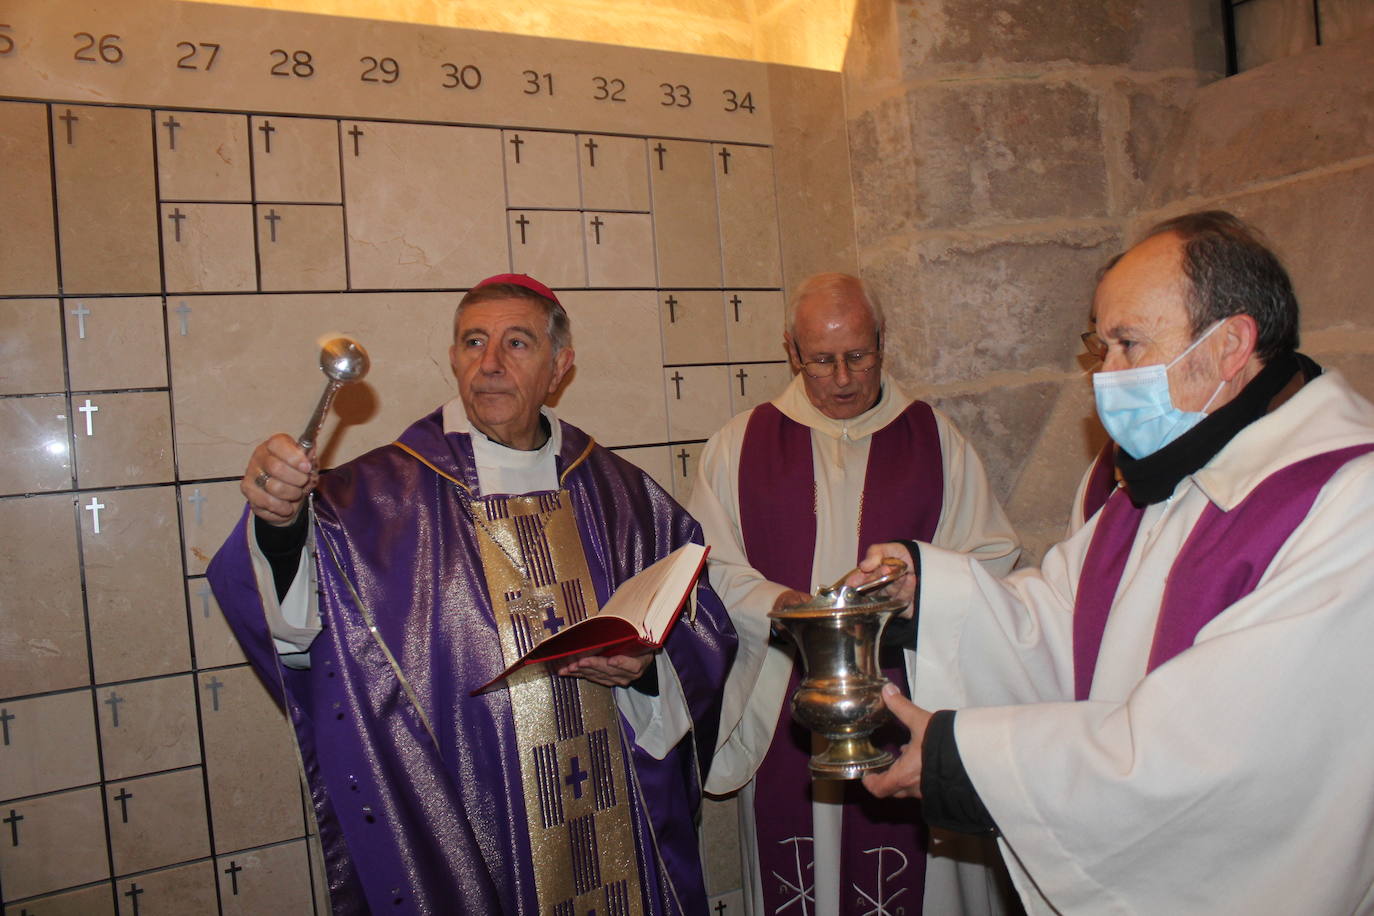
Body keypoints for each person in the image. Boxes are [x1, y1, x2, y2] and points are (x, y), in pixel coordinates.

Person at [854, 211, 1374, 914]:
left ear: (1231, 346)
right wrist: (931, 592)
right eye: (1100, 347)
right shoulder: (1148, 473)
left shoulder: (1346, 501)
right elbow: (1066, 623)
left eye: (1129, 344)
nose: (1106, 377)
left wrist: (966, 759)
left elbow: (1219, 752)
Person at [207, 274, 738, 914]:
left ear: (559, 366)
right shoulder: (372, 499)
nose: (489, 364)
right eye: (472, 343)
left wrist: (648, 672)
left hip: (613, 807)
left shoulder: (625, 498)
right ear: (454, 358)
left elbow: (700, 624)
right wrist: (280, 524)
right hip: (478, 812)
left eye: (517, 343)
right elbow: (299, 632)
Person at [689, 273, 1022, 916]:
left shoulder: (937, 440)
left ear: (882, 343)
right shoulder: (738, 446)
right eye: (820, 359)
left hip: (907, 691)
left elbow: (992, 558)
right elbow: (711, 571)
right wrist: (787, 609)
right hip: (789, 693)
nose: (842, 378)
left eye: (858, 356)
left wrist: (920, 589)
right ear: (791, 350)